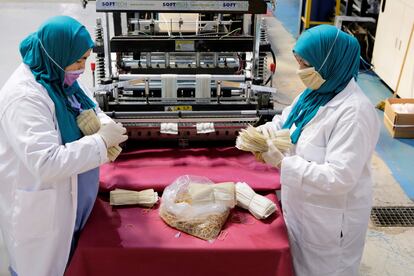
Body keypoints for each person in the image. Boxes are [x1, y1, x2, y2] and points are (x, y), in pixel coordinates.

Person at [0, 16, 127, 276]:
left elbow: (85, 105)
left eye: (85, 59)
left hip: (74, 204)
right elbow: (46, 162)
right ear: (59, 53)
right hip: (44, 215)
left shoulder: (57, 75)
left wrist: (102, 124)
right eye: (78, 60)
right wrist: (101, 142)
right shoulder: (24, 97)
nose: (82, 67)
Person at [257, 25, 380, 276]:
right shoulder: (315, 92)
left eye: (305, 64)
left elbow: (339, 178)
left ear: (329, 62)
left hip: (330, 225)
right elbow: (287, 120)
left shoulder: (354, 113)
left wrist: (283, 164)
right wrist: (264, 133)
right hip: (302, 211)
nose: (301, 71)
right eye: (299, 63)